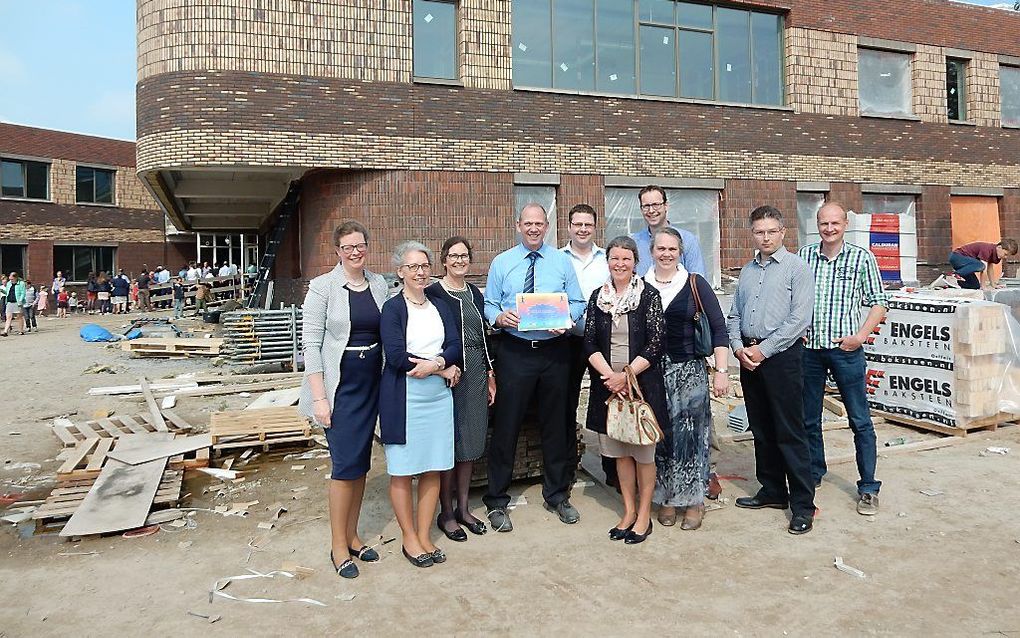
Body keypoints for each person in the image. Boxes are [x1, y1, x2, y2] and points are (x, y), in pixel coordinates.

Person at [483, 203, 587, 531]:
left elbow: (579, 302)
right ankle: (497, 500)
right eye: (527, 223)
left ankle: (557, 494)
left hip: (555, 352)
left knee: (556, 425)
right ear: (518, 225)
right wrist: (498, 317)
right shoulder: (502, 262)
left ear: (547, 226)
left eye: (539, 223)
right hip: (515, 352)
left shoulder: (561, 262)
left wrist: (567, 321)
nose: (533, 229)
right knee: (506, 425)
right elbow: (488, 302)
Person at [298, 220, 389, 580]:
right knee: (344, 465)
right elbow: (311, 345)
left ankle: (352, 535)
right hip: (339, 387)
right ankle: (338, 546)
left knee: (361, 463)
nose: (355, 252)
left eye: (360, 245)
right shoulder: (322, 287)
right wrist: (320, 398)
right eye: (348, 247)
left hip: (371, 385)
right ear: (337, 251)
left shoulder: (379, 284)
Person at [727, 205, 816, 535]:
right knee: (761, 429)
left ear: (782, 233)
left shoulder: (797, 269)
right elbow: (734, 314)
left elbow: (798, 321)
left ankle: (802, 504)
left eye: (770, 231)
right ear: (752, 234)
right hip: (748, 357)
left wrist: (762, 351)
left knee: (789, 431)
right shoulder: (748, 271)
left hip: (781, 358)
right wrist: (739, 348)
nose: (765, 237)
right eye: (758, 232)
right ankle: (773, 490)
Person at [799, 202, 889, 515]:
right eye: (824, 223)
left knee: (859, 420)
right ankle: (814, 471)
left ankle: (868, 486)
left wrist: (861, 336)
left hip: (846, 350)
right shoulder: (805, 256)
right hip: (810, 350)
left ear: (845, 224)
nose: (829, 229)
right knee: (809, 418)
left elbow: (879, 303)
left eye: (835, 223)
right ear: (818, 225)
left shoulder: (861, 258)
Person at [379, 241, 462, 568]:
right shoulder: (393, 309)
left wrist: (440, 361)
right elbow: (397, 356)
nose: (420, 272)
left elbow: (455, 345)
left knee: (433, 467)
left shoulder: (440, 304)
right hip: (405, 399)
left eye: (425, 265)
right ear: (400, 272)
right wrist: (439, 367)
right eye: (412, 267)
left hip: (438, 399)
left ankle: (425, 535)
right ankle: (409, 538)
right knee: (402, 470)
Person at [583, 236, 667, 544]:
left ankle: (644, 514)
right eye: (615, 258)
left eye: (626, 259)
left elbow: (657, 343)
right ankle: (628, 511)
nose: (620, 264)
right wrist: (610, 376)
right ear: (608, 262)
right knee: (619, 453)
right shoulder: (597, 297)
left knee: (643, 454)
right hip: (609, 389)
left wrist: (627, 375)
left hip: (640, 388)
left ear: (636, 263)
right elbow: (589, 341)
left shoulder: (649, 296)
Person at [644, 228, 730, 530]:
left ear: (680, 252)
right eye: (660, 249)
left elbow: (719, 329)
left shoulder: (694, 283)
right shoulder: (643, 286)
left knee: (692, 438)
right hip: (653, 375)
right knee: (661, 437)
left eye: (672, 249)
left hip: (689, 373)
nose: (666, 254)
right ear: (652, 251)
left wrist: (721, 372)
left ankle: (694, 500)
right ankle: (667, 497)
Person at [428, 237, 496, 542]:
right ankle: (445, 511)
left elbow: (484, 336)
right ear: (444, 260)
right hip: (448, 375)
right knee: (449, 443)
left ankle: (464, 508)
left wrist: (491, 373)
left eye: (464, 255)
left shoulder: (474, 293)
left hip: (477, 373)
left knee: (469, 443)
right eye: (453, 256)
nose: (459, 260)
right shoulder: (433, 293)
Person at [561, 203, 615, 487]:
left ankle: (612, 469)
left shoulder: (608, 259)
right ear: (568, 226)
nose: (583, 229)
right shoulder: (556, 258)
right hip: (566, 342)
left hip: (601, 344)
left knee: (606, 402)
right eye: (577, 224)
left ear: (595, 227)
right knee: (566, 404)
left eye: (588, 225)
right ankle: (568, 466)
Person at [629, 185, 706, 277]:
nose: (651, 210)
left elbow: (697, 280)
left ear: (666, 206)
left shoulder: (687, 240)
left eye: (656, 205)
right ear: (641, 209)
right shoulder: (634, 243)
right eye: (646, 206)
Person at [949, 239, 1018, 290]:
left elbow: (990, 269)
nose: (1005, 257)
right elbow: (983, 269)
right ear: (999, 247)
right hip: (957, 257)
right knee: (981, 265)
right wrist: (983, 286)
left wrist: (993, 284)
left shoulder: (994, 254)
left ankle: (953, 283)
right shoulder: (987, 249)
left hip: (966, 265)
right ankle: (952, 276)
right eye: (1005, 254)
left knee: (974, 285)